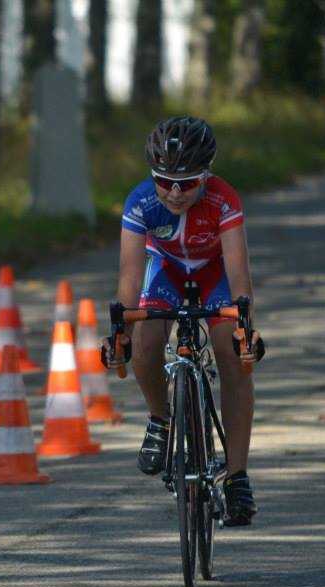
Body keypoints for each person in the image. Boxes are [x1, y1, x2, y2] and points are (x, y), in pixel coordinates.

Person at [111, 117, 263, 526]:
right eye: (165, 181)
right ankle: (160, 419)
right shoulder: (140, 201)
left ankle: (237, 476)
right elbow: (130, 278)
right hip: (166, 270)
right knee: (145, 342)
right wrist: (120, 333)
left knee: (231, 350)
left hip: (214, 273)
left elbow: (238, 273)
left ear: (206, 175)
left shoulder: (223, 199)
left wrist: (246, 327)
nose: (175, 192)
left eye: (187, 182)